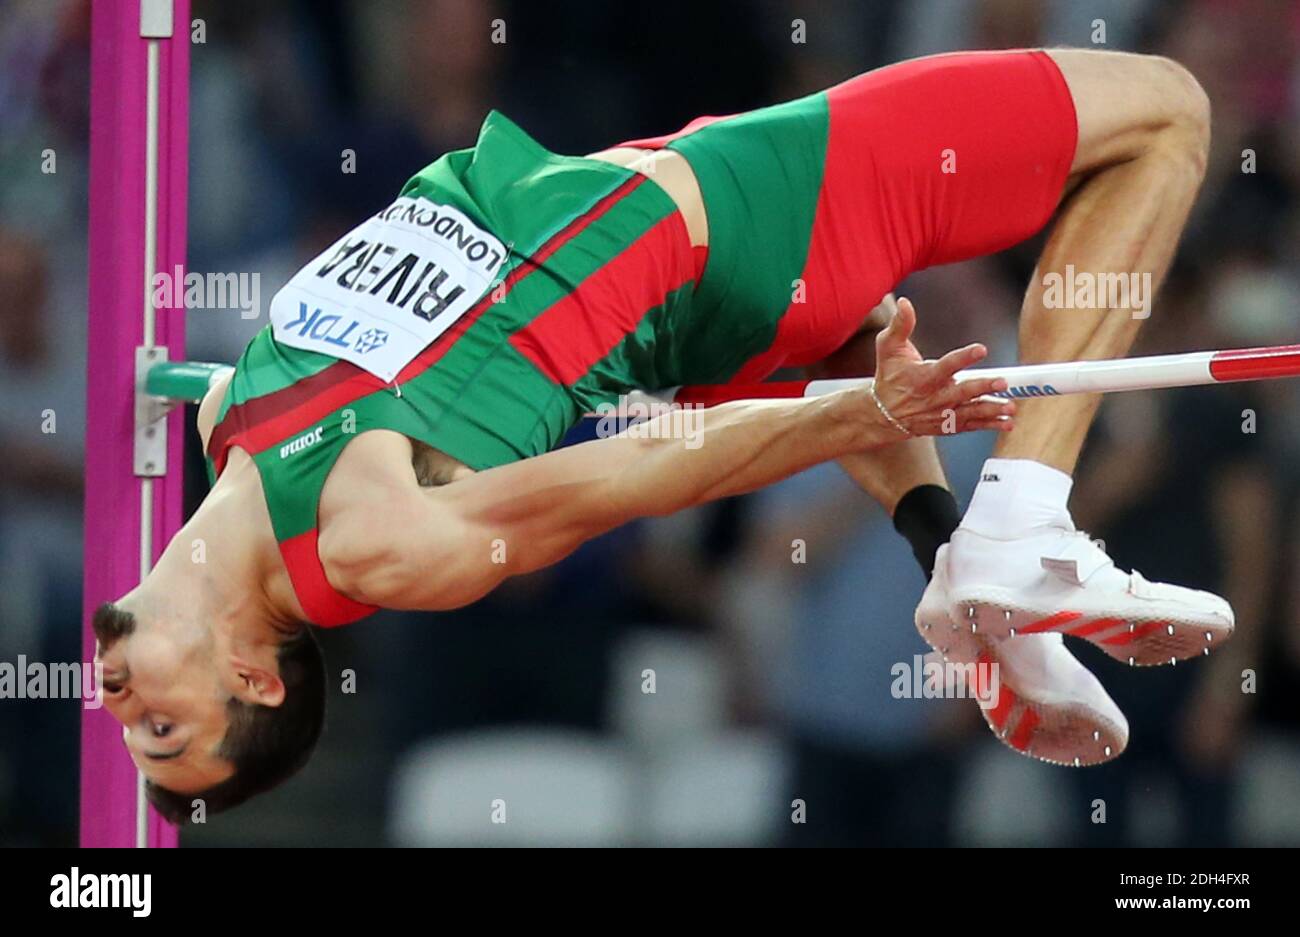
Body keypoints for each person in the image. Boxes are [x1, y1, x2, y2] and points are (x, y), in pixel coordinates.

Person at [93, 48, 1231, 822]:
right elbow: (631, 471)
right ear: (253, 672)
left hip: (703, 271)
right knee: (1165, 111)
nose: (114, 698)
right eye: (158, 724)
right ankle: (1025, 520)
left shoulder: (223, 418)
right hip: (744, 220)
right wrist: (855, 413)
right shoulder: (369, 544)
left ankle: (958, 565)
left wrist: (850, 395)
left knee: (855, 328)